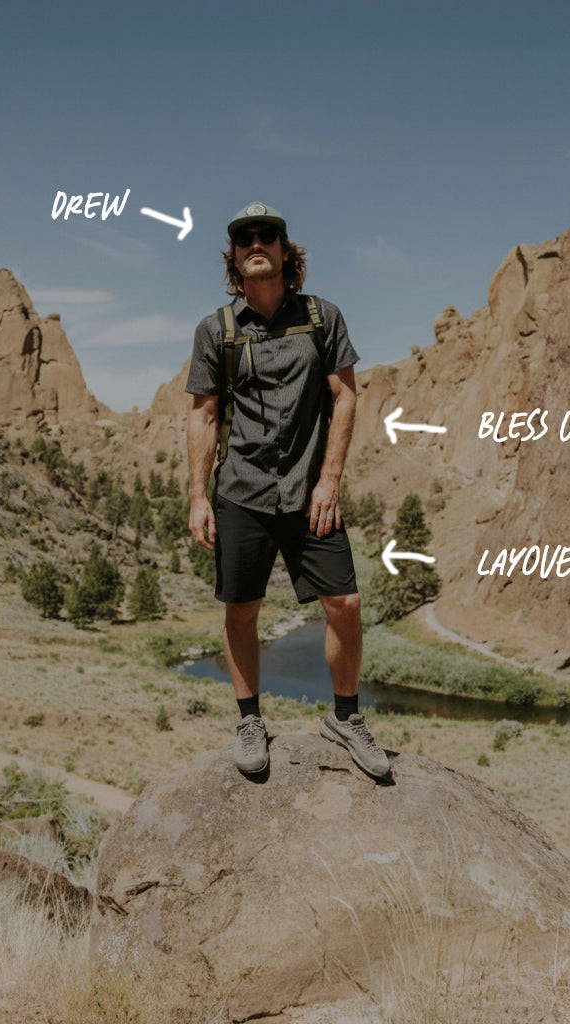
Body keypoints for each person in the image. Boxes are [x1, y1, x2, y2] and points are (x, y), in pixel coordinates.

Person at [186, 201, 390, 778]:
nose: (257, 242)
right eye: (245, 237)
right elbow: (203, 416)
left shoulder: (322, 317)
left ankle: (346, 719)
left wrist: (329, 480)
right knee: (242, 609)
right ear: (234, 257)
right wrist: (199, 496)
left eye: (267, 235)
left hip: (308, 492)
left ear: (284, 251)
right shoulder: (215, 331)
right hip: (242, 491)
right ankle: (250, 718)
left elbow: (345, 397)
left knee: (344, 604)